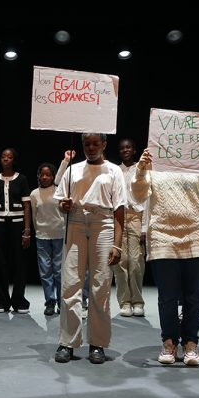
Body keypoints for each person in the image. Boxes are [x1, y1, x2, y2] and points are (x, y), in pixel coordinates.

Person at [132, 148, 199, 366]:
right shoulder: (153, 162)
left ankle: (191, 344)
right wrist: (141, 170)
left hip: (195, 234)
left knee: (194, 297)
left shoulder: (196, 161)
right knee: (167, 297)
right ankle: (169, 343)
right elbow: (138, 195)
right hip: (162, 234)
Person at [53, 133, 126, 365]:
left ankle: (97, 343)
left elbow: (119, 210)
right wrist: (63, 206)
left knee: (100, 285)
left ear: (104, 144)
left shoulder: (114, 171)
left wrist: (117, 242)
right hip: (75, 222)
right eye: (87, 144)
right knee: (70, 283)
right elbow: (60, 202)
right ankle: (67, 341)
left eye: (96, 143)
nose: (91, 147)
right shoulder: (73, 169)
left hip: (102, 224)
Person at [0, 147, 32, 313]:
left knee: (19, 263)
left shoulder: (22, 180)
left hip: (17, 224)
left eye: (9, 157)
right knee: (0, 263)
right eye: (3, 156)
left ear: (14, 160)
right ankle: (1, 301)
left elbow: (27, 206)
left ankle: (19, 300)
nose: (6, 159)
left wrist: (27, 230)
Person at [29, 151, 72, 316]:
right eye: (42, 174)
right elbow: (34, 216)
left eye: (49, 175)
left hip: (60, 235)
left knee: (59, 270)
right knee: (45, 271)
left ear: (53, 176)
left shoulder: (59, 190)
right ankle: (50, 301)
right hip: (42, 237)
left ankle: (61, 301)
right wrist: (38, 231)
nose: (45, 177)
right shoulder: (34, 194)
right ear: (38, 176)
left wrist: (66, 160)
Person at [113, 138, 147, 317]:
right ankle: (125, 301)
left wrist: (145, 227)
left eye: (128, 147)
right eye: (122, 148)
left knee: (135, 262)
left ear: (134, 150)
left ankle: (138, 301)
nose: (125, 150)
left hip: (136, 216)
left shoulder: (141, 170)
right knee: (120, 262)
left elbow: (148, 198)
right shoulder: (115, 170)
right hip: (118, 217)